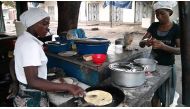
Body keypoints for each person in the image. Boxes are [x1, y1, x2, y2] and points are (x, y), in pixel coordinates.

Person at [13, 8, 84, 107]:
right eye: (44, 24)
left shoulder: (22, 39)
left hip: (24, 92)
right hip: (33, 98)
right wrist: (68, 87)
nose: (48, 28)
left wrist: (14, 82)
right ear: (32, 24)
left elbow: (14, 62)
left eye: (48, 24)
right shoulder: (30, 45)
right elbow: (33, 81)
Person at [139, 1, 180, 106]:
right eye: (157, 14)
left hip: (167, 66)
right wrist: (146, 42)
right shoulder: (154, 26)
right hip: (152, 66)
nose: (159, 17)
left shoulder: (176, 29)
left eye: (162, 14)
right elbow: (141, 42)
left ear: (169, 13)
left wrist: (163, 46)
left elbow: (180, 50)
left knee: (166, 96)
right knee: (155, 92)